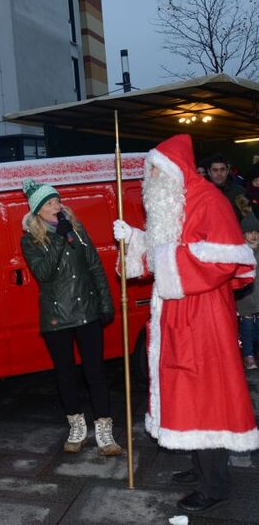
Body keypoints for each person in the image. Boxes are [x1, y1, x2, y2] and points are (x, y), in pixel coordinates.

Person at [113, 134, 259, 514]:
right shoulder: (173, 204)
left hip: (205, 316)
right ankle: (199, 468)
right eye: (149, 174)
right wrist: (134, 240)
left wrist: (163, 256)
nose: (151, 181)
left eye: (156, 172)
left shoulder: (209, 200)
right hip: (176, 315)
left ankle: (217, 485)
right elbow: (165, 249)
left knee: (207, 395)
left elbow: (230, 260)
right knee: (186, 392)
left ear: (176, 171)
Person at [20, 178, 121, 457]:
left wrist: (105, 301)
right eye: (51, 203)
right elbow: (43, 273)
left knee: (96, 373)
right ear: (38, 210)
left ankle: (104, 432)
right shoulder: (30, 239)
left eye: (58, 200)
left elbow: (95, 266)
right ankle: (77, 428)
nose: (58, 206)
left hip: (87, 311)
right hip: (57, 318)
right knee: (65, 375)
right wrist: (57, 239)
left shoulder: (76, 230)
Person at [236, 213, 259, 370]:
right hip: (245, 297)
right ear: (243, 234)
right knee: (248, 327)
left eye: (256, 232)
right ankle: (248, 356)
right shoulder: (241, 252)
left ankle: (254, 353)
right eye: (250, 232)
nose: (254, 235)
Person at [205, 153, 250, 221]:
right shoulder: (203, 194)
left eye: (222, 169)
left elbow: (248, 217)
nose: (219, 173)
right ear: (209, 172)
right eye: (215, 170)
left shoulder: (238, 192)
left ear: (227, 171)